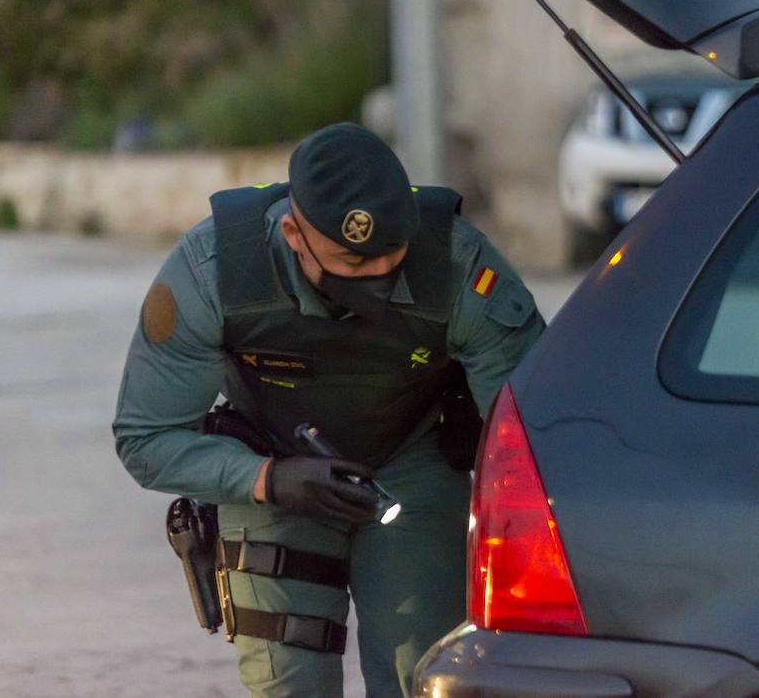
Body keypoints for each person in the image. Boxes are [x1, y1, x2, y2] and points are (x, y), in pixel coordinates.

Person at [113, 122, 545, 697]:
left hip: (409, 462)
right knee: (291, 684)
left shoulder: (459, 265)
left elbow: (535, 437)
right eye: (350, 262)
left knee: (426, 678)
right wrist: (268, 479)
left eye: (391, 256)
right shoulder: (212, 271)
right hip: (272, 470)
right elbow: (145, 438)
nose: (376, 278)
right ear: (294, 232)